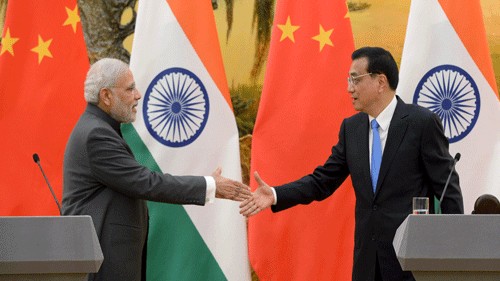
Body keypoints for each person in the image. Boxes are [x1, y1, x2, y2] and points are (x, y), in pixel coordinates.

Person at [240, 47, 464, 281]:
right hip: (367, 262)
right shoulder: (352, 129)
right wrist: (275, 194)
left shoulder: (421, 123)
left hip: (411, 262)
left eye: (355, 79)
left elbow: (448, 189)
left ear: (380, 82)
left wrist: (451, 255)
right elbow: (322, 181)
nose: (349, 88)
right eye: (348, 80)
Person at [62, 58, 251, 281]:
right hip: (102, 262)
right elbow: (145, 182)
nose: (138, 95)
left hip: (107, 258)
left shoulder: (99, 128)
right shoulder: (96, 135)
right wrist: (209, 186)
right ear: (106, 96)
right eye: (130, 88)